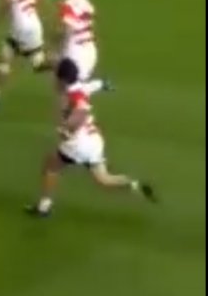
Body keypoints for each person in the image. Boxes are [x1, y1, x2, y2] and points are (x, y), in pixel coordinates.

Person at [27, 59, 155, 217]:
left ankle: (44, 207)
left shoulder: (72, 95)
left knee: (50, 167)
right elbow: (95, 85)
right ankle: (134, 185)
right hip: (94, 141)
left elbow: (81, 111)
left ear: (63, 80)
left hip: (79, 144)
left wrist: (66, 129)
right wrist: (104, 84)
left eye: (57, 77)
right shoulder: (80, 87)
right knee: (104, 179)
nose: (55, 80)